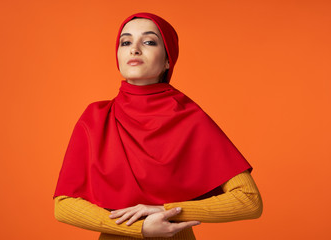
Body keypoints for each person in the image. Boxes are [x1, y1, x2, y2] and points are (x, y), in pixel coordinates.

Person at [53, 12, 263, 239]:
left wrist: (167, 210)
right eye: (126, 42)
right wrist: (139, 228)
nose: (134, 49)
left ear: (167, 60)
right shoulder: (95, 118)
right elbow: (63, 205)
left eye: (149, 41)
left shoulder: (190, 118)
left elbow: (249, 200)